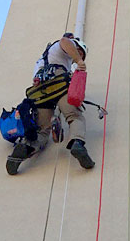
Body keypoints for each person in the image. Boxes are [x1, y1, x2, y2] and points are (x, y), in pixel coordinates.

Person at [6, 33, 95, 176]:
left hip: (39, 92)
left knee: (42, 131)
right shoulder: (61, 47)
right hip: (58, 85)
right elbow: (65, 41)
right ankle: (77, 144)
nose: (77, 56)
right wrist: (79, 60)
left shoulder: (43, 59)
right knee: (75, 116)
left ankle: (22, 150)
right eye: (79, 52)